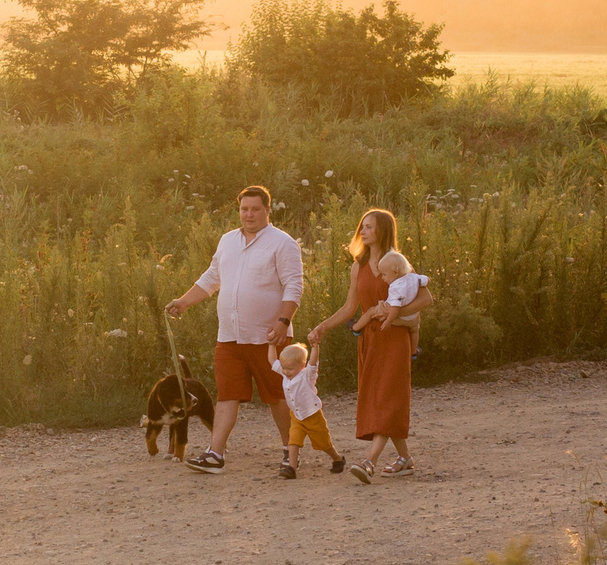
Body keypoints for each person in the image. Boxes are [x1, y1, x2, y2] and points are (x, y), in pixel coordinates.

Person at [165, 184, 303, 475]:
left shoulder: (282, 243)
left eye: (255, 209)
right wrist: (183, 301)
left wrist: (283, 321)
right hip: (229, 335)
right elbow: (212, 278)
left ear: (268, 210)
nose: (249, 214)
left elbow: (294, 285)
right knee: (227, 394)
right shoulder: (227, 240)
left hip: (269, 336)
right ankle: (215, 454)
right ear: (238, 210)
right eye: (244, 209)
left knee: (277, 395)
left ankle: (289, 452)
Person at [309, 207, 424, 482]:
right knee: (378, 397)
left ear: (383, 230)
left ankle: (369, 461)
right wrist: (322, 327)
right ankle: (405, 459)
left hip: (395, 338)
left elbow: (424, 299)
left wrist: (394, 313)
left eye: (369, 226)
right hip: (370, 341)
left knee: (387, 396)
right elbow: (350, 307)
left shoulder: (398, 263)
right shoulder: (357, 266)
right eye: (362, 225)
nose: (362, 230)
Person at [273, 340, 344, 477]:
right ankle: (291, 468)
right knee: (293, 441)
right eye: (284, 368)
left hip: (312, 415)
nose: (286, 371)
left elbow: (313, 362)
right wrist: (271, 345)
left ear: (302, 365)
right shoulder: (285, 373)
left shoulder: (307, 375)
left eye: (290, 368)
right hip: (296, 415)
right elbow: (272, 360)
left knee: (323, 443)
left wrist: (315, 346)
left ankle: (337, 458)